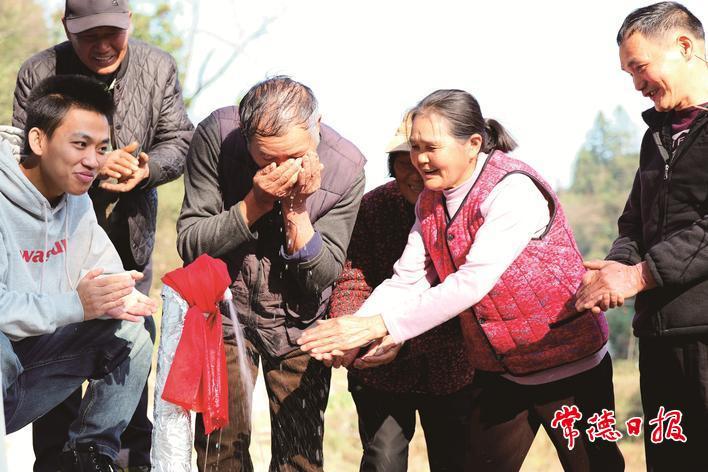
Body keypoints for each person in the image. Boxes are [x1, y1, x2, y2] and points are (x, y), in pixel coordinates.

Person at [299, 89, 625, 471]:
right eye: (414, 148)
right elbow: (408, 279)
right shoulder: (430, 201)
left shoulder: (513, 189)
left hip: (568, 363)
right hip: (502, 372)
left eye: (430, 148)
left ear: (472, 144)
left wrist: (379, 325)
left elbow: (471, 282)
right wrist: (354, 332)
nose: (420, 159)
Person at [12, 0, 193, 469]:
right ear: (67, 28)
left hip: (123, 240)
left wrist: (145, 169)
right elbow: (31, 155)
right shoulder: (39, 72)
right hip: (44, 252)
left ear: (130, 22)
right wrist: (89, 166)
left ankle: (104, 458)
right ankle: (57, 462)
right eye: (89, 35)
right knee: (47, 363)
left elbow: (180, 140)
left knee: (132, 337)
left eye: (112, 32)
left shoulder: (158, 67)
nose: (103, 45)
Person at [177, 76, 366, 471]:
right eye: (267, 159)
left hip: (301, 325)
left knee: (299, 457)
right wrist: (255, 203)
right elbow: (191, 243)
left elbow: (324, 274)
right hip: (224, 314)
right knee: (218, 450)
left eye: (295, 155)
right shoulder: (218, 136)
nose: (283, 168)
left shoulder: (347, 168)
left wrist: (296, 210)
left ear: (317, 127)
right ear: (246, 137)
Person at [574, 2, 708, 470]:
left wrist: (639, 276)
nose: (636, 84)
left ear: (684, 46)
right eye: (629, 73)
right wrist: (616, 267)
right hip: (658, 337)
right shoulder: (656, 137)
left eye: (640, 67)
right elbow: (633, 222)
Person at [0, 75, 156, 472]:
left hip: (30, 366)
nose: (93, 161)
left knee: (133, 329)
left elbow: (103, 269)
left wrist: (123, 296)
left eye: (102, 148)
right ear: (39, 141)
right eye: (80, 144)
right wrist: (76, 305)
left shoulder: (77, 200)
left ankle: (88, 457)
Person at [327, 115, 475, 471]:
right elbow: (353, 278)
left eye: (424, 158)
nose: (415, 171)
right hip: (379, 369)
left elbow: (469, 297)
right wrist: (350, 332)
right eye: (404, 160)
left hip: (455, 368)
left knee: (457, 462)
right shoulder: (373, 207)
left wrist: (401, 337)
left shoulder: (470, 211)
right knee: (383, 461)